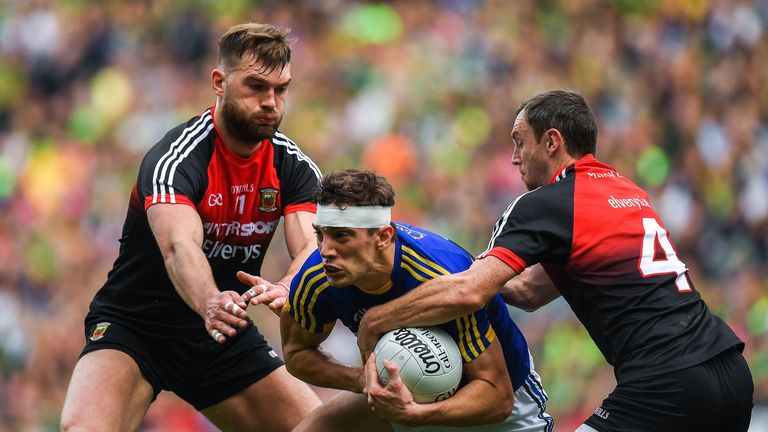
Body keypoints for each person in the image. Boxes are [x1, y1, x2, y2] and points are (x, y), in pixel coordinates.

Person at [356, 90, 754, 431]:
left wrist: (379, 318)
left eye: (519, 141)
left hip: (666, 378)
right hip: (731, 372)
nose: (514, 158)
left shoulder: (543, 204)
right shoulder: (626, 189)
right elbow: (529, 291)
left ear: (551, 142)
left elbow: (471, 293)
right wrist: (470, 267)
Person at [60, 23, 322, 431]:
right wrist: (210, 303)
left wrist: (289, 284)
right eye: (256, 86)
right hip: (137, 325)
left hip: (219, 335)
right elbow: (180, 247)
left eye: (281, 89)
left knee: (317, 427)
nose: (270, 102)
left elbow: (310, 244)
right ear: (219, 82)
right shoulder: (177, 157)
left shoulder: (294, 166)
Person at [281, 169, 553, 432]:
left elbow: (498, 398)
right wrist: (361, 379)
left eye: (341, 236)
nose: (326, 250)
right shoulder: (317, 275)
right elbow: (296, 353)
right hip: (399, 399)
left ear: (383, 237)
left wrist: (414, 414)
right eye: (321, 234)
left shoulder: (441, 276)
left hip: (497, 412)